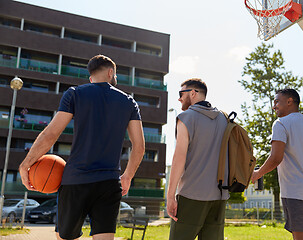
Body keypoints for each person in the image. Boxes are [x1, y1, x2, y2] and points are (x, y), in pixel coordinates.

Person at [19, 55, 145, 240]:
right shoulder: (128, 102)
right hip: (109, 182)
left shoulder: (75, 93)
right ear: (111, 73)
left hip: (75, 181)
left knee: (65, 237)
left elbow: (51, 135)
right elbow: (139, 146)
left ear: (91, 78)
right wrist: (127, 176)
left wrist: (25, 164)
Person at [251, 88, 303, 240]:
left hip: (295, 191)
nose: (274, 106)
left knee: (301, 237)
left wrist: (258, 173)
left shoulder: (280, 124)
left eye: (277, 101)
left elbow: (276, 157)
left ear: (289, 101)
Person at [167, 78, 229, 240]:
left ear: (193, 93)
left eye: (181, 93)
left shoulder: (186, 117)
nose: (179, 98)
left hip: (191, 194)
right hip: (219, 195)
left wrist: (170, 195)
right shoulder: (224, 118)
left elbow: (179, 157)